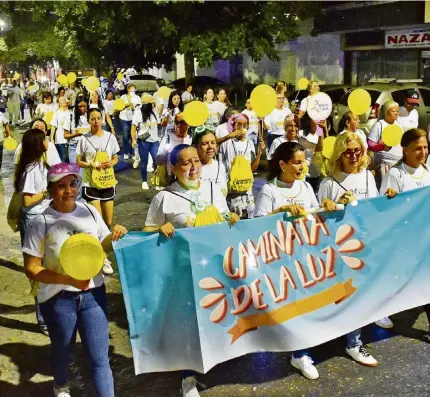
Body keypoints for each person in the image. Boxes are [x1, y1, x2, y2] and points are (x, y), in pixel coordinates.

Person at [22, 162, 128, 397]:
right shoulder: (41, 222)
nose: (68, 190)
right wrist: (67, 278)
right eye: (61, 186)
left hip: (93, 295)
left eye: (73, 183)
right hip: (58, 300)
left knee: (100, 358)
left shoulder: (89, 211)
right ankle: (60, 385)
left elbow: (101, 247)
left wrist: (115, 236)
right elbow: (31, 268)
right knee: (62, 349)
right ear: (50, 189)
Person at [254, 141, 338, 380]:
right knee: (290, 307)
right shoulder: (270, 190)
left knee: (307, 302)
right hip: (281, 258)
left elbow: (314, 214)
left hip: (306, 255)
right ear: (282, 164)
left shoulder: (305, 187)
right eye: (297, 162)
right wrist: (281, 211)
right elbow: (257, 224)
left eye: (304, 161)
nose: (302, 166)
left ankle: (303, 349)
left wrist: (326, 205)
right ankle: (298, 353)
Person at [379, 128, 430, 331]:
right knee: (397, 277)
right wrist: (391, 199)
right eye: (418, 148)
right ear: (405, 149)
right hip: (405, 239)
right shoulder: (395, 174)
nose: (423, 152)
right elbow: (385, 208)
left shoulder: (426, 170)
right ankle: (379, 309)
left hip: (424, 237)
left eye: (426, 147)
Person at [144, 144, 238, 234]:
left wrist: (231, 217)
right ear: (173, 169)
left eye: (197, 161)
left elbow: (223, 211)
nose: (194, 166)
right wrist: (158, 230)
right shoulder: (164, 197)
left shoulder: (214, 188)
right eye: (186, 163)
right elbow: (147, 230)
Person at [14, 128, 51, 335]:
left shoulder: (40, 165)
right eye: (44, 139)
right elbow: (28, 201)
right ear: (38, 144)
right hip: (34, 221)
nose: (47, 142)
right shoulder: (31, 169)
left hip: (42, 218)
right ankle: (43, 320)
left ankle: (48, 316)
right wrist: (47, 191)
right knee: (39, 272)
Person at [76, 108, 120, 275]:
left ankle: (103, 252)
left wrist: (111, 163)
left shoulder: (110, 137)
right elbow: (78, 161)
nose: (95, 121)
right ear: (88, 121)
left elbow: (116, 157)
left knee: (107, 223)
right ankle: (101, 258)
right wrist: (91, 165)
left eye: (98, 118)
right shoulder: (84, 139)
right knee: (96, 221)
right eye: (92, 118)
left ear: (102, 119)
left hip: (107, 182)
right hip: (91, 184)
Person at [220, 113, 265, 219]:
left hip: (246, 191)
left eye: (245, 125)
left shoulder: (249, 143)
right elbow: (214, 144)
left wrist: (259, 153)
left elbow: (252, 169)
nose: (242, 127)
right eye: (239, 124)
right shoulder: (227, 142)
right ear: (233, 125)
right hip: (231, 191)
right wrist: (228, 136)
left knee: (248, 219)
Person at [368, 100, 402, 188]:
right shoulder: (379, 125)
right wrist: (382, 147)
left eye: (397, 111)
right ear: (386, 112)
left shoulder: (399, 125)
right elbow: (370, 144)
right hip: (384, 165)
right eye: (393, 111)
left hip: (398, 164)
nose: (396, 113)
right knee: (386, 188)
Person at [131, 94, 160, 190]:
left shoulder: (154, 111)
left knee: (157, 160)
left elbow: (158, 123)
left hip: (155, 141)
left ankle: (157, 181)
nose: (154, 104)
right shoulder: (138, 113)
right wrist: (133, 139)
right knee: (144, 162)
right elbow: (133, 127)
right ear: (148, 104)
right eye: (152, 103)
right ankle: (144, 181)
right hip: (143, 141)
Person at [157, 112, 192, 179]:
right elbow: (158, 161)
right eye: (176, 122)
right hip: (171, 177)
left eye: (182, 122)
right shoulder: (168, 139)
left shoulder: (191, 140)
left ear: (188, 124)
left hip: (188, 177)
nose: (178, 125)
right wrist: (164, 153)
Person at [193, 124, 227, 191]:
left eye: (213, 142)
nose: (210, 147)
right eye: (205, 144)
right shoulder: (191, 168)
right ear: (196, 146)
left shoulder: (220, 166)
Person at [119, 83, 141, 160]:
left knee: (133, 136)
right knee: (125, 136)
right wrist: (126, 105)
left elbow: (140, 107)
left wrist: (134, 108)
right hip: (124, 119)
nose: (133, 91)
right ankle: (126, 152)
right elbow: (119, 107)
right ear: (128, 89)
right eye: (131, 89)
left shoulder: (137, 97)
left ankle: (133, 152)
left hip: (134, 119)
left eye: (134, 89)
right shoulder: (123, 97)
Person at [66, 95, 89, 165]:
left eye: (84, 106)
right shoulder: (70, 115)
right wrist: (76, 134)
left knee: (87, 172)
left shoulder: (90, 115)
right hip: (74, 146)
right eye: (80, 106)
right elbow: (65, 135)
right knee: (76, 171)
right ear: (76, 106)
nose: (82, 108)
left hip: (88, 146)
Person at [50, 97, 72, 162]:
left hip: (70, 140)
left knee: (69, 159)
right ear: (58, 103)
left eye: (65, 99)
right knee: (63, 159)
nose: (64, 100)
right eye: (62, 100)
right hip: (60, 140)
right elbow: (53, 126)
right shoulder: (56, 113)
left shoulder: (71, 113)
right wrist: (52, 138)